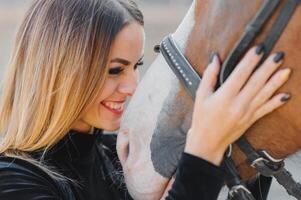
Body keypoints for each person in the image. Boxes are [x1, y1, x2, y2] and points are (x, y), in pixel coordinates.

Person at [0, 0, 291, 199]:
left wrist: (248, 139)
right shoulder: (13, 182)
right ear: (61, 71)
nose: (131, 86)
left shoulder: (118, 158)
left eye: (135, 66)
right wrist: (203, 153)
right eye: (115, 70)